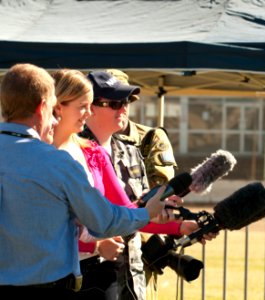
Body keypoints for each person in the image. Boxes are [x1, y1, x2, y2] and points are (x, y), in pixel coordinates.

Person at [0, 63, 173, 299]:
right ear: (43, 108)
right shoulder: (57, 162)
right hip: (49, 287)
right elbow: (103, 221)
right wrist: (147, 213)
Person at [81, 70, 210, 300]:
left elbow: (134, 215)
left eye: (126, 102)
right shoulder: (74, 152)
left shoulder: (130, 151)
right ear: (89, 106)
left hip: (131, 274)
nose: (123, 109)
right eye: (114, 103)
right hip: (89, 275)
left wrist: (178, 227)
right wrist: (97, 246)